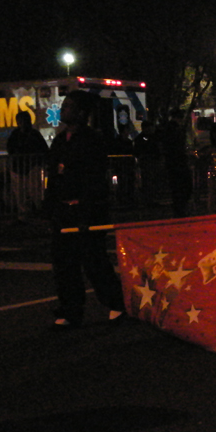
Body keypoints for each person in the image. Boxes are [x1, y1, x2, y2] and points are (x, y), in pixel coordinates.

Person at [44, 90, 126, 329]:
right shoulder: (60, 141)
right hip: (63, 211)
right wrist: (50, 208)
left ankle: (116, 303)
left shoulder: (92, 140)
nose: (63, 109)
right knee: (64, 264)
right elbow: (53, 177)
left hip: (86, 210)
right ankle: (70, 310)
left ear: (81, 113)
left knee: (94, 261)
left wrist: (87, 210)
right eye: (64, 105)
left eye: (69, 106)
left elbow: (94, 180)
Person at [7, 110, 48, 223]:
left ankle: (35, 212)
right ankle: (25, 215)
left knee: (35, 192)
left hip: (30, 167)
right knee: (21, 193)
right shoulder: (17, 135)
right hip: (20, 167)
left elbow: (43, 149)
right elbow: (10, 148)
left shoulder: (31, 134)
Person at [161, 109, 193, 217]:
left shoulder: (169, 128)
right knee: (182, 186)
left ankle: (179, 209)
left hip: (173, 162)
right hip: (177, 162)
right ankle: (180, 209)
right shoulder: (174, 129)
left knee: (177, 187)